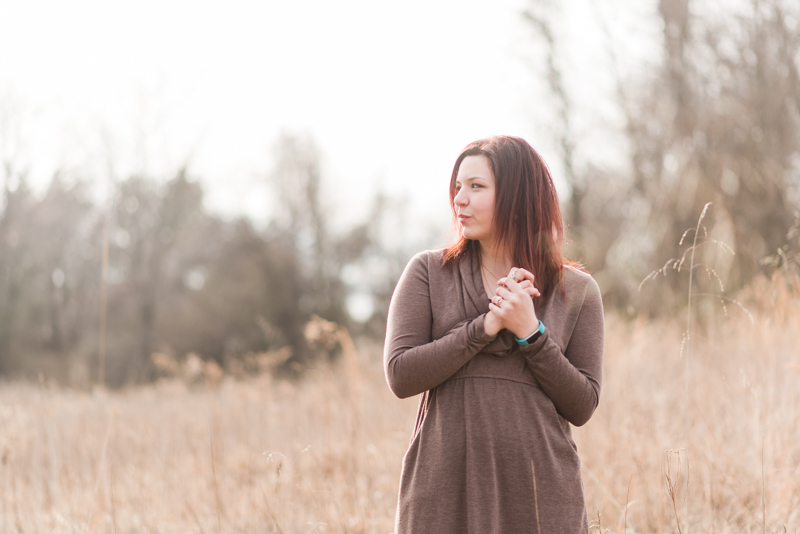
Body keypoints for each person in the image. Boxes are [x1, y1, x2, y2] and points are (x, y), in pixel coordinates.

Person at [384, 135, 604, 533]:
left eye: (476, 186)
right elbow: (400, 375)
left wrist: (531, 333)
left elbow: (583, 404)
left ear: (517, 197)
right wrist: (483, 327)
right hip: (443, 495)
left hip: (541, 499)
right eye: (457, 187)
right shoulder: (428, 273)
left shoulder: (578, 291)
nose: (459, 200)